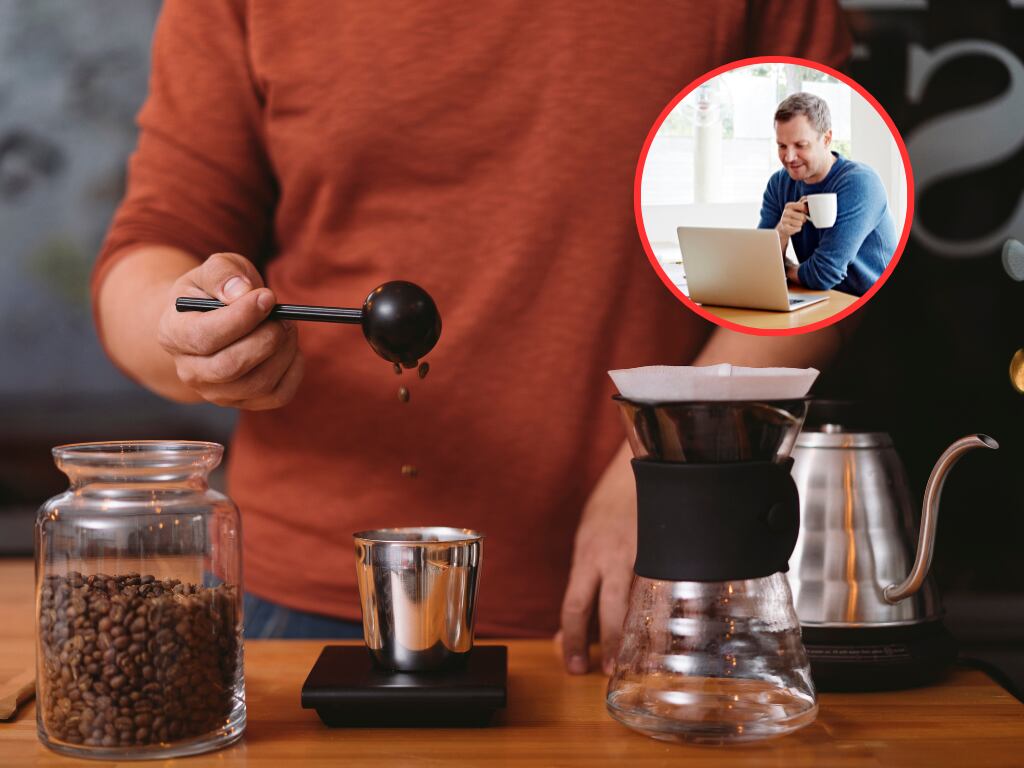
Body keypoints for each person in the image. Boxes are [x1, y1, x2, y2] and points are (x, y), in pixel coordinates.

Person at [92, 0, 852, 676]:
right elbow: (155, 250)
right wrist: (187, 331)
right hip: (316, 605)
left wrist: (665, 464)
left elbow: (824, 261)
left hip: (654, 600)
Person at [759, 92, 898, 297]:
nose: (789, 157)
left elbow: (823, 274)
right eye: (782, 146)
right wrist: (780, 233)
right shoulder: (779, 183)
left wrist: (785, 270)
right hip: (821, 297)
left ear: (826, 139)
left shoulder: (860, 183)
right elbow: (760, 263)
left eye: (800, 145)